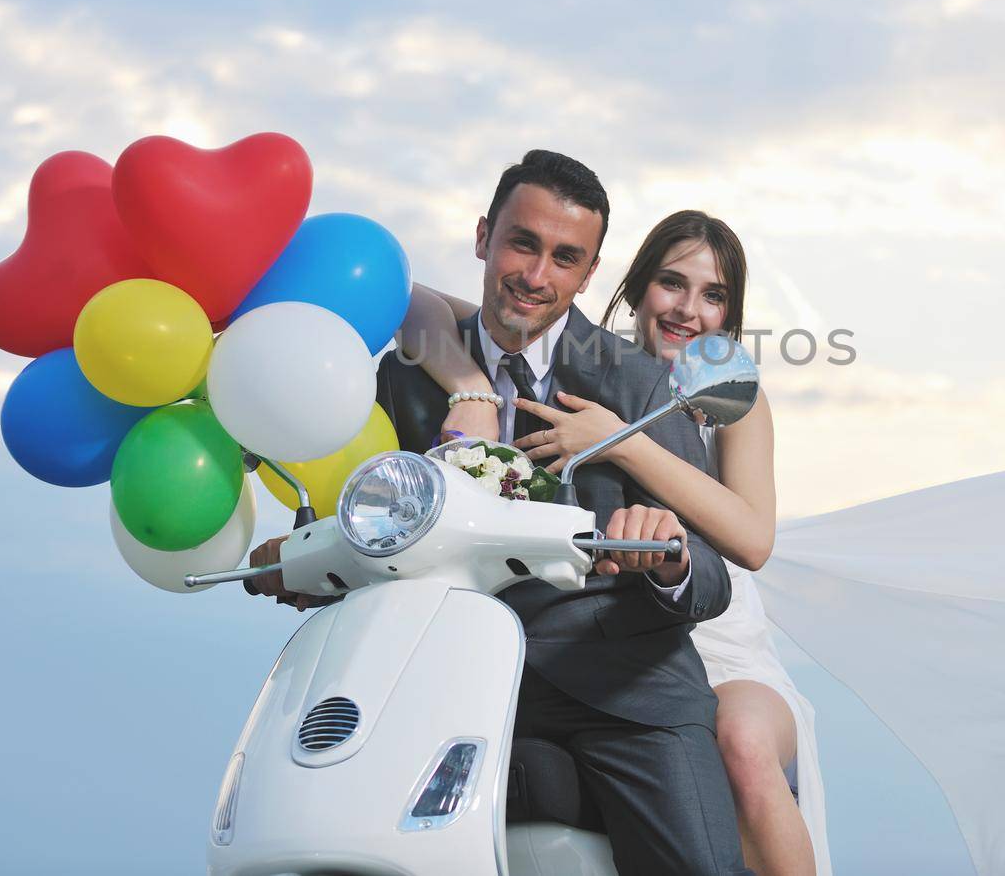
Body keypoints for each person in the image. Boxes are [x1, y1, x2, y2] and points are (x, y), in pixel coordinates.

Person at [249, 150, 754, 876]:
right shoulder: (402, 378)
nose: (537, 275)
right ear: (484, 236)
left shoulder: (641, 383)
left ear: (589, 272)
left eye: (565, 257)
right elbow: (367, 524)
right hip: (454, 685)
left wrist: (669, 556)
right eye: (522, 243)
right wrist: (304, 560)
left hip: (626, 692)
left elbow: (712, 577)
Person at [401, 210, 829, 876]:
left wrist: (618, 439)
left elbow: (751, 537)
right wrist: (471, 388)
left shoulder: (733, 398)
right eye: (671, 283)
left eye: (713, 294)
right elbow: (413, 302)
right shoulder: (585, 362)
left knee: (742, 743)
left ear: (731, 313)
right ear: (633, 289)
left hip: (722, 651)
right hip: (623, 645)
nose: (689, 309)